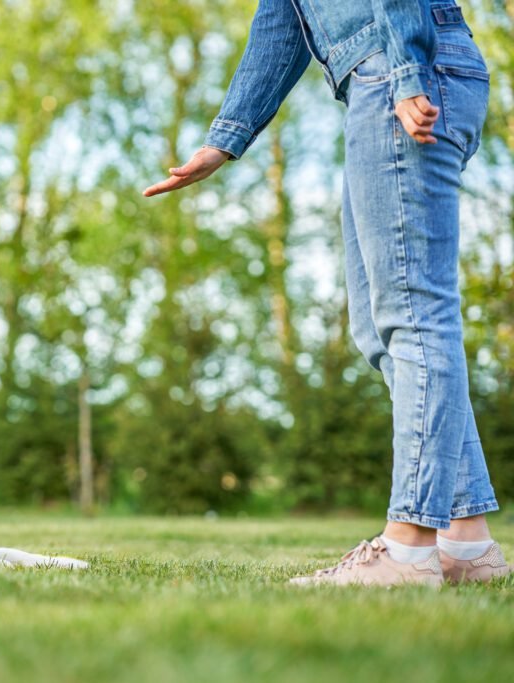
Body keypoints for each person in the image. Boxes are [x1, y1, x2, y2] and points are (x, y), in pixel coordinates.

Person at [143, 0, 509, 586]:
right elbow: (282, 20)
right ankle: (467, 544)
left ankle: (409, 551)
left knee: (413, 316)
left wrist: (407, 72)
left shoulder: (403, 67)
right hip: (385, 74)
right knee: (379, 326)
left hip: (401, 68)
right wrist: (227, 136)